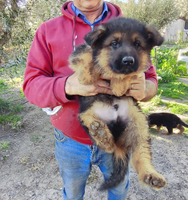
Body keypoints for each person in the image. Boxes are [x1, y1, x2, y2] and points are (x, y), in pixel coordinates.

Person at [23, 0, 158, 199]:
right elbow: (31, 85)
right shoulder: (47, 30)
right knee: (73, 193)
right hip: (70, 139)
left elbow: (150, 78)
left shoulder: (129, 27)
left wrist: (145, 88)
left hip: (119, 133)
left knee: (119, 190)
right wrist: (67, 85)